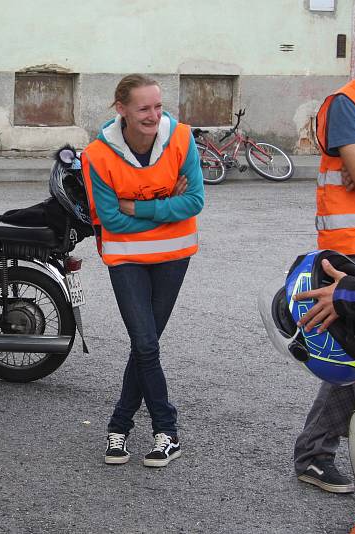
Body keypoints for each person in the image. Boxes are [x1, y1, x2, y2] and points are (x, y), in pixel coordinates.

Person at [80, 74, 204, 467]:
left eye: (158, 106)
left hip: (173, 258)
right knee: (146, 344)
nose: (153, 115)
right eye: (143, 108)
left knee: (144, 345)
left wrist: (139, 208)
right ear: (122, 110)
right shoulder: (96, 155)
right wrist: (167, 208)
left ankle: (119, 429)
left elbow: (196, 201)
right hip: (127, 260)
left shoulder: (182, 139)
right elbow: (111, 220)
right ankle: (167, 430)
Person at [292, 69, 355, 494]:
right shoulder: (348, 102)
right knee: (354, 361)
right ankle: (315, 454)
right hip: (352, 251)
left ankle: (315, 453)